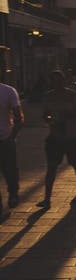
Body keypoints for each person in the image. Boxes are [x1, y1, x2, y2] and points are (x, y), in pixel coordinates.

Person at [38, 70, 76, 210]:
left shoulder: (73, 95)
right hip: (55, 137)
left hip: (72, 137)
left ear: (64, 81)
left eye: (59, 80)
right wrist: (49, 119)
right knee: (51, 167)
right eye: (54, 80)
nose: (57, 83)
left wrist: (68, 115)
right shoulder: (48, 96)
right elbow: (45, 114)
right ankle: (47, 198)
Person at [0, 72, 23, 212]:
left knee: (9, 168)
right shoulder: (9, 91)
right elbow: (19, 117)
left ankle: (13, 193)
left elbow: (18, 117)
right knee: (10, 169)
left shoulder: (8, 91)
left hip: (6, 138)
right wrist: (12, 136)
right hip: (7, 137)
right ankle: (13, 194)